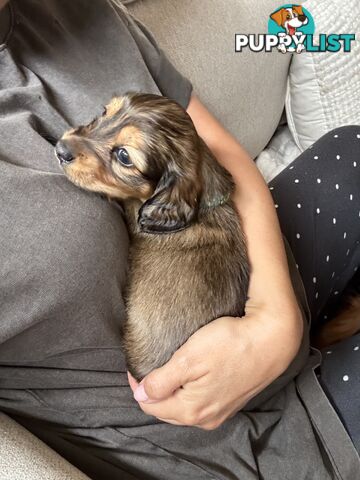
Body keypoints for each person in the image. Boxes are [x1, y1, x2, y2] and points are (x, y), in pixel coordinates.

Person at [0, 0, 359, 478]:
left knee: (352, 150)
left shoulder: (85, 11)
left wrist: (275, 318)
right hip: (223, 435)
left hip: (249, 286)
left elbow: (217, 155)